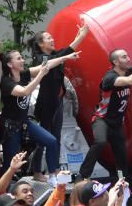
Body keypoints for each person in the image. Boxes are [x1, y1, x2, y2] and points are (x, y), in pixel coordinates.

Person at [79, 46, 132, 181]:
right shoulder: (110, 78)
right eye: (124, 57)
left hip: (116, 124)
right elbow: (131, 81)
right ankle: (83, 175)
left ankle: (121, 180)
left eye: (127, 55)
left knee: (121, 157)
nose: (128, 59)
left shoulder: (127, 71)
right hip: (102, 119)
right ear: (116, 62)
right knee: (100, 141)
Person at [29, 23, 89, 176]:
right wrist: (66, 56)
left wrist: (80, 36)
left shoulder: (55, 55)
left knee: (56, 137)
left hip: (58, 101)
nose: (52, 39)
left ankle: (54, 170)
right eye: (48, 38)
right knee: (44, 140)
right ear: (41, 44)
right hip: (46, 104)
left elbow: (67, 51)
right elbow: (50, 63)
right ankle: (37, 171)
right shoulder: (39, 58)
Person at [0, 49, 71, 173]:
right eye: (19, 58)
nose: (22, 60)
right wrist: (41, 75)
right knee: (10, 164)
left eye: (22, 57)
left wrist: (66, 57)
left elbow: (46, 65)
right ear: (10, 64)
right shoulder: (6, 82)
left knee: (51, 141)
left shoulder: (23, 74)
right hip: (10, 127)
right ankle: (3, 190)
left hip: (25, 123)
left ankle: (53, 175)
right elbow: (24, 91)